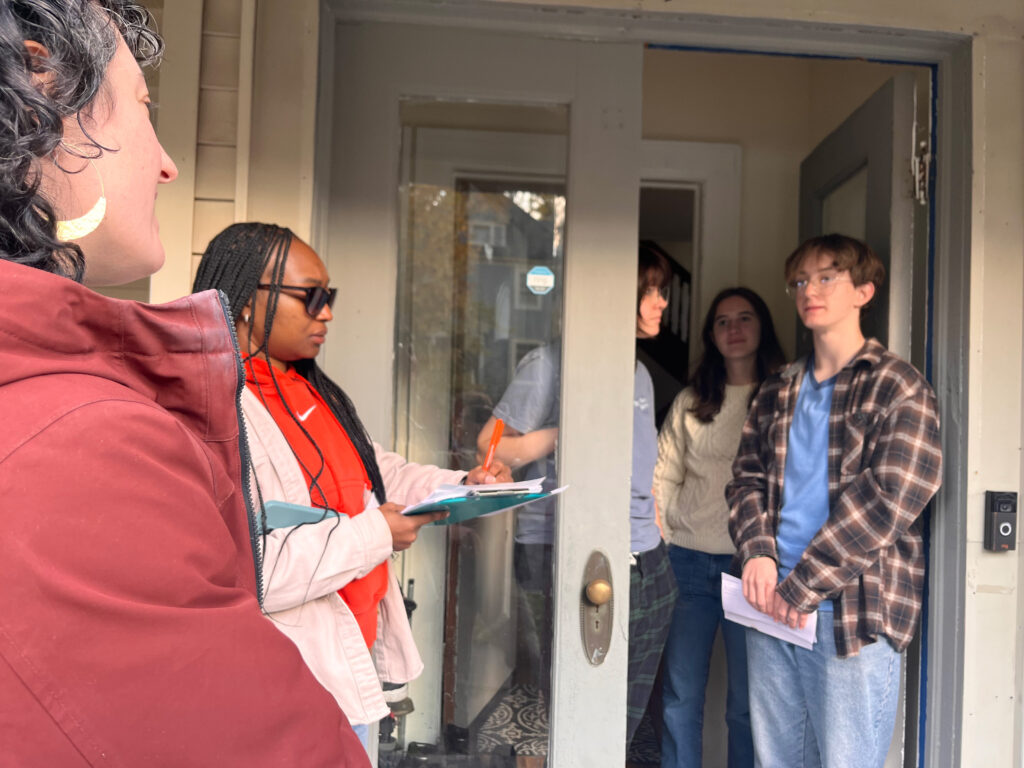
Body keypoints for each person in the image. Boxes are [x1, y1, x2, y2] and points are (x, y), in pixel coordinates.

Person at [0, 3, 367, 765]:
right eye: (142, 106)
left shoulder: (314, 392)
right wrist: (378, 532)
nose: (168, 162)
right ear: (41, 93)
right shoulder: (80, 443)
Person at [192, 222, 512, 752]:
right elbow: (251, 568)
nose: (328, 312)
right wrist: (376, 535)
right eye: (311, 296)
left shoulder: (312, 390)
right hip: (284, 690)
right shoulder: (217, 410)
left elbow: (375, 472)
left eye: (330, 296)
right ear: (247, 301)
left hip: (347, 673)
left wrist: (466, 483)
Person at [726, 234, 943, 768]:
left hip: (851, 616)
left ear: (864, 291)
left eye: (827, 277)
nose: (809, 290)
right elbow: (745, 478)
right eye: (800, 281)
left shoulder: (898, 387)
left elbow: (888, 502)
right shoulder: (777, 388)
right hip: (770, 603)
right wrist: (757, 553)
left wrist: (801, 588)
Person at [476, 243, 678, 750]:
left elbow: (637, 461)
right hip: (562, 550)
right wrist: (566, 431)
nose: (661, 303)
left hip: (645, 556)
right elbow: (491, 444)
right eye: (649, 290)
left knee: (623, 713)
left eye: (662, 291)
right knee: (577, 697)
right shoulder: (550, 362)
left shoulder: (638, 372)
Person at [656, 287, 785, 768]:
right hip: (687, 562)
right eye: (722, 321)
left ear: (762, 328)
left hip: (753, 568)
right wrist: (666, 537)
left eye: (745, 318)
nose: (733, 329)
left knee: (748, 704)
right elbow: (663, 476)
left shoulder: (783, 396)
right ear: (711, 334)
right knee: (680, 695)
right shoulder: (692, 400)